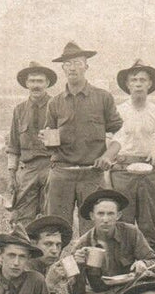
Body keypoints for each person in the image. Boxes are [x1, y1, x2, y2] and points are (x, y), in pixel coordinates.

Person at [43, 42, 122, 228]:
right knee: (56, 228)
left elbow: (119, 133)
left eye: (77, 63)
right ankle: (56, 259)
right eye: (68, 64)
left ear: (86, 66)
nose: (72, 68)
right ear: (63, 69)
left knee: (93, 231)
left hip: (91, 175)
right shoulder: (54, 103)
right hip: (62, 174)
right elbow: (50, 141)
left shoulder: (103, 97)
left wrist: (107, 155)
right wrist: (46, 139)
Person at [66, 188, 155, 294]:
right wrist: (79, 266)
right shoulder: (81, 244)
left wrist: (144, 263)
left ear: (118, 215)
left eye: (110, 214)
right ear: (92, 216)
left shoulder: (131, 233)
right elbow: (75, 291)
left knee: (152, 287)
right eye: (100, 213)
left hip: (126, 291)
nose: (105, 219)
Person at [110, 60, 155, 252]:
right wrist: (107, 177)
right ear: (127, 84)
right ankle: (122, 270)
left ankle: (151, 268)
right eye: (134, 79)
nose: (138, 83)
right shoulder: (116, 111)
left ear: (150, 84)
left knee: (149, 225)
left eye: (142, 79)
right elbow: (106, 147)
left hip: (148, 174)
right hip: (121, 174)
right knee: (121, 225)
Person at [27, 215, 108, 294]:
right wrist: (49, 285)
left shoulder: (42, 269)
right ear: (33, 244)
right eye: (48, 244)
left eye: (58, 245)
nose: (54, 250)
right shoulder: (24, 270)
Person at [5, 61, 58, 232]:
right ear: (27, 84)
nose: (36, 85)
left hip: (52, 165)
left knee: (49, 213)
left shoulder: (57, 105)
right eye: (33, 81)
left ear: (47, 83)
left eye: (40, 81)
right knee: (23, 216)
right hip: (28, 169)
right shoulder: (19, 110)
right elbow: (13, 144)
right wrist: (12, 174)